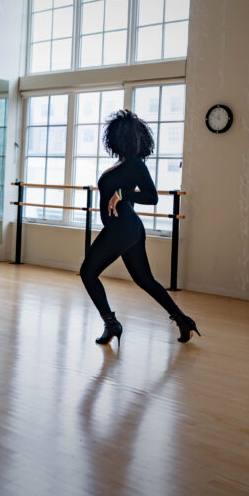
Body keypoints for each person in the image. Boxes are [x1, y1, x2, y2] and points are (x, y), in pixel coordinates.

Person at [80, 110, 198, 345]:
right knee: (145, 279)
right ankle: (183, 320)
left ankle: (111, 323)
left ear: (122, 138)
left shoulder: (135, 164)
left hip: (122, 228)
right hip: (127, 229)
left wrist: (123, 194)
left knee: (88, 273)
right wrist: (121, 193)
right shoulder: (122, 163)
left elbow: (152, 197)